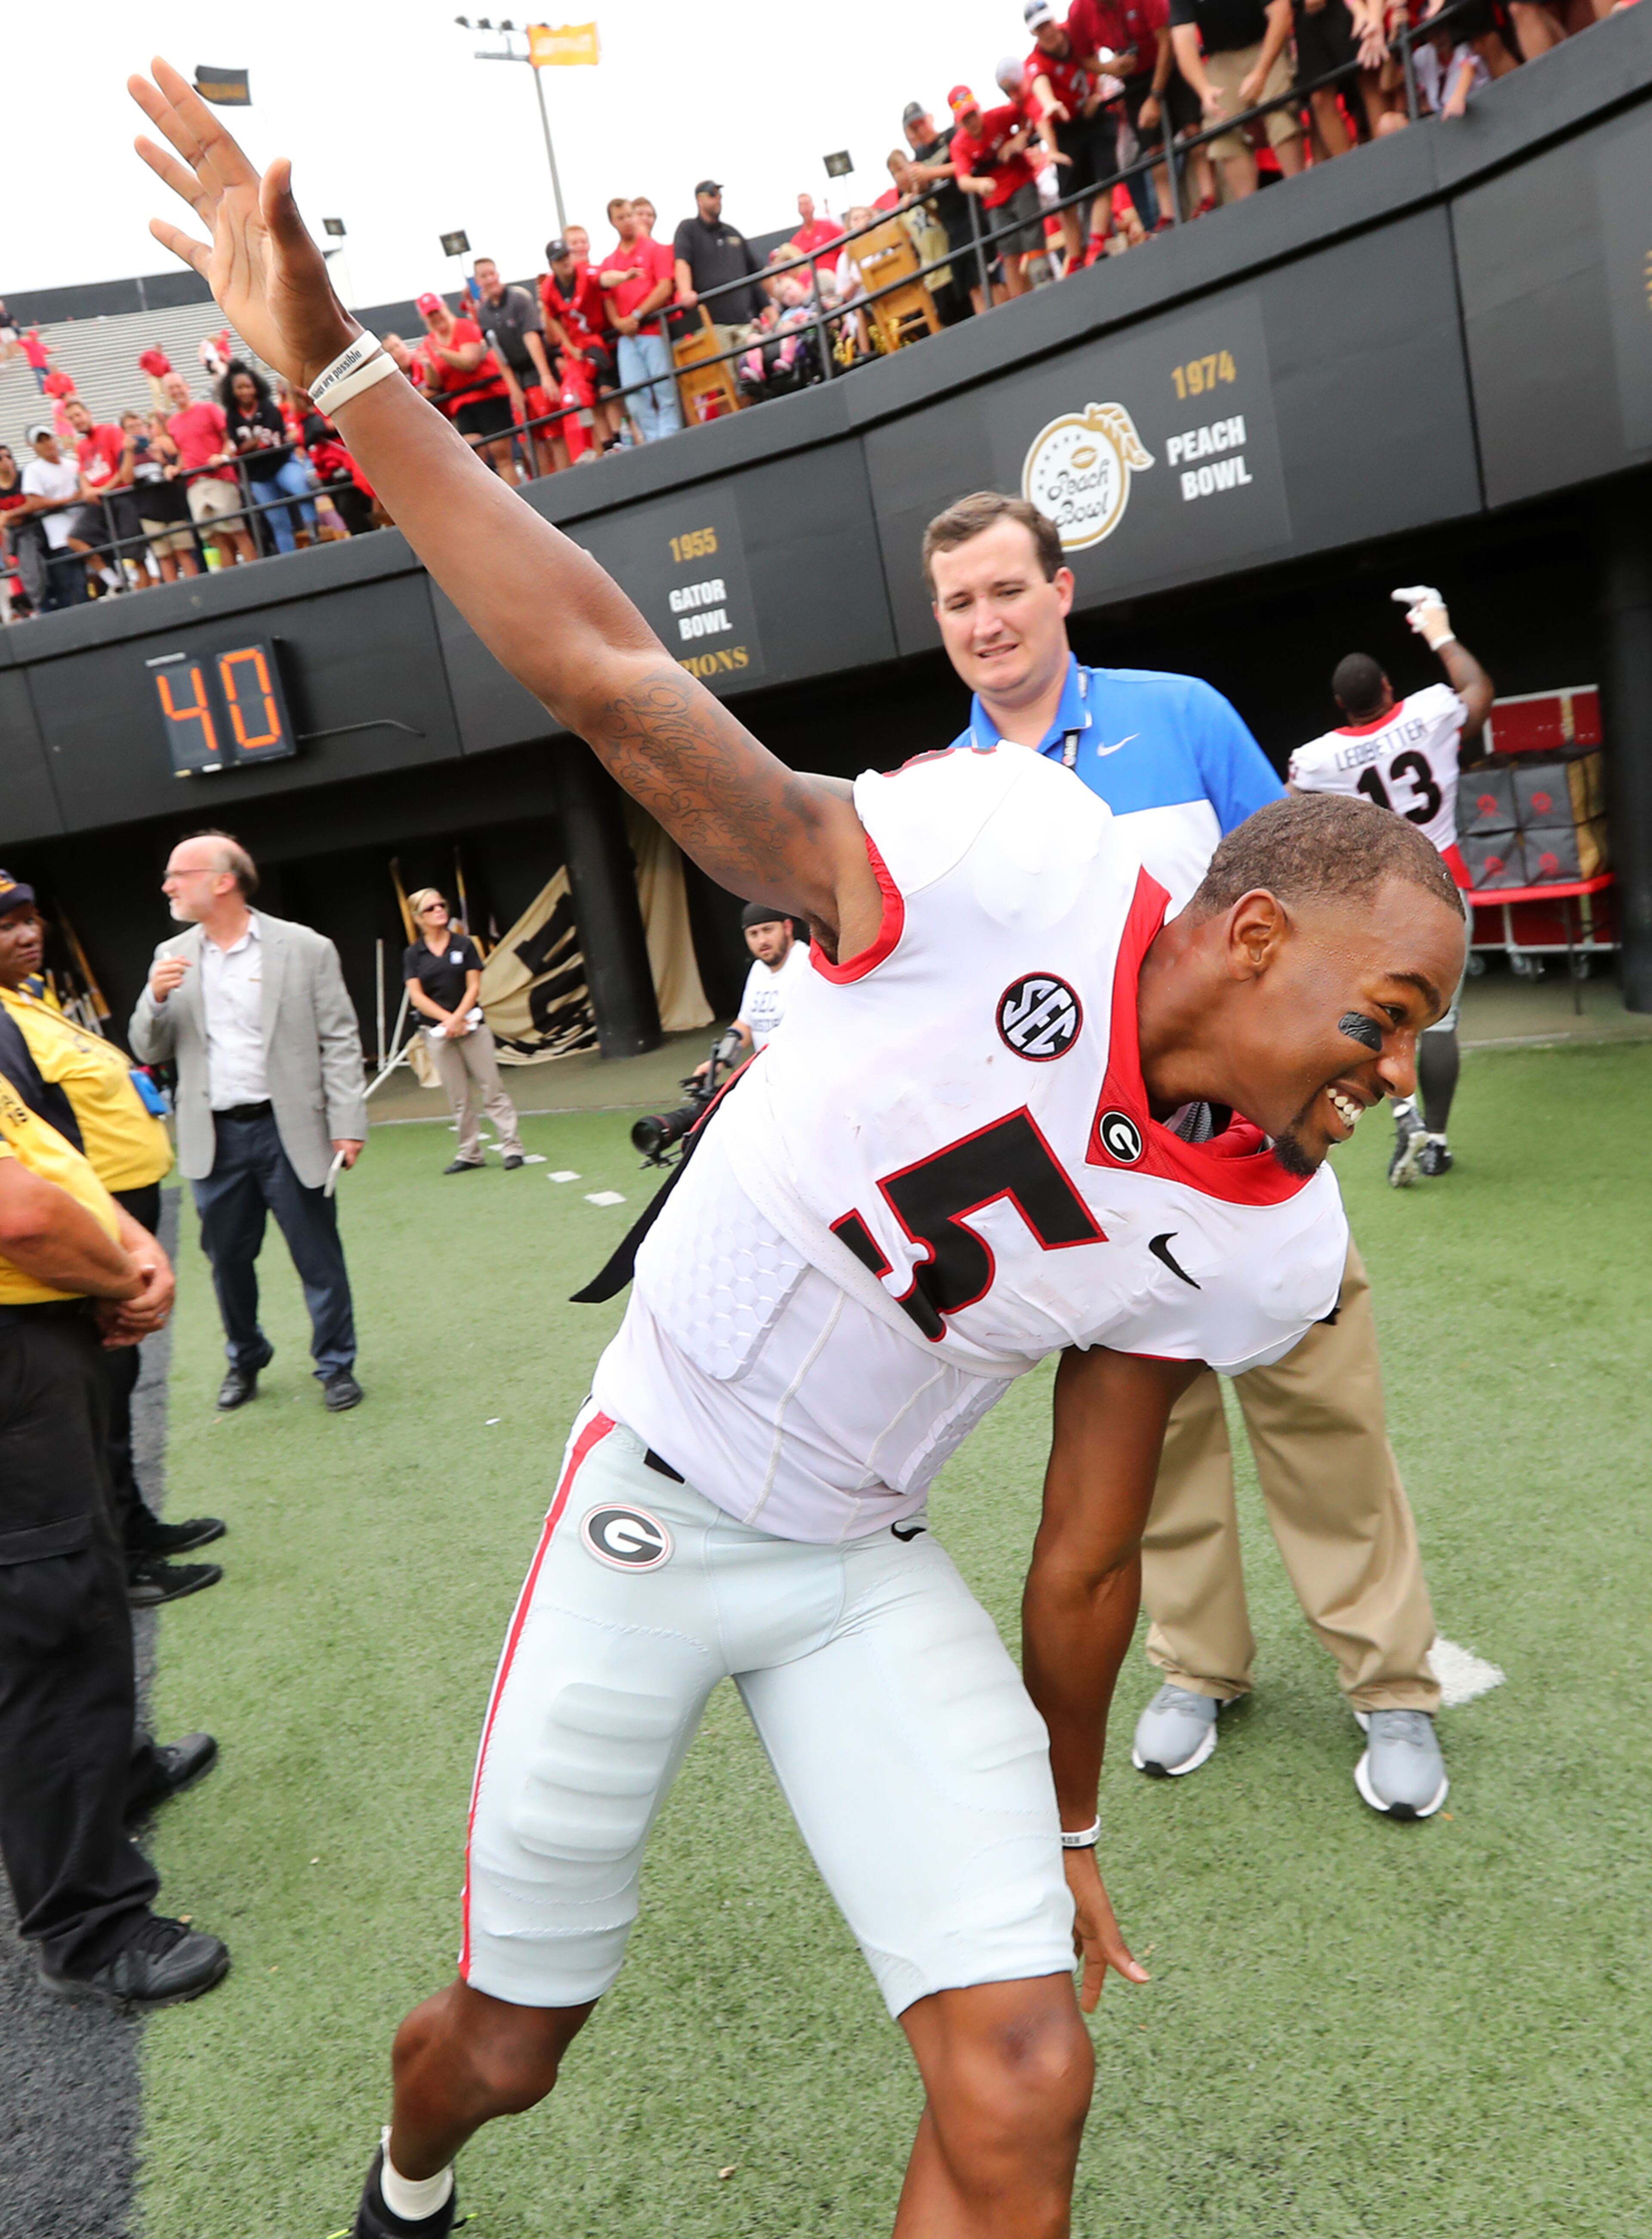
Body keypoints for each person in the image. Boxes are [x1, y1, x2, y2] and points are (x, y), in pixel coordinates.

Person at [129, 70, 1467, 2232]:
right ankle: (400, 2180)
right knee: (505, 2047)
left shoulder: (1260, 1232)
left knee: (1027, 2068)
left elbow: (1087, 1552)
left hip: (859, 1557)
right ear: (1247, 930)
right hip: (645, 1504)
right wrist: (348, 371)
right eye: (1383, 1015)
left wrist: (1064, 1834)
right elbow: (622, 682)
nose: (1391, 1076)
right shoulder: (1008, 851)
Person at [929, 488, 1455, 1818]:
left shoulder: (1178, 715)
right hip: (1098, 1202)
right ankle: (1198, 1666)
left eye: (1004, 590)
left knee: (1325, 1427)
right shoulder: (947, 792)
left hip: (1259, 1172)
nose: (984, 622)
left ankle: (1387, 1685)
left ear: (1059, 590)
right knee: (1147, 1452)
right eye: (956, 603)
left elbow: (1322, 897)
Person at [0, 991, 228, 2010]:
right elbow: (21, 1211)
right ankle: (85, 1929)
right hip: (19, 1346)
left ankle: (114, 1777)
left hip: (40, 1337)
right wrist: (121, 1269)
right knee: (47, 1623)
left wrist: (115, 1250)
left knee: (77, 1587)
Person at [0, 877, 225, 1607]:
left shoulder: (25, 1001)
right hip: (80, 1239)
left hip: (116, 1215)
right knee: (88, 1405)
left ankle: (133, 1525)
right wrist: (115, 1269)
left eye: (30, 921)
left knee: (111, 1394)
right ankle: (122, 1553)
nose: (27, 935)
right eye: (7, 926)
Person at [126, 829, 367, 1414]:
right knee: (228, 1261)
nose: (167, 886)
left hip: (293, 1132)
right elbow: (146, 1046)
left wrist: (349, 1120)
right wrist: (154, 999)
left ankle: (335, 1364)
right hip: (215, 1136)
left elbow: (339, 1039)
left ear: (223, 880)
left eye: (178, 875)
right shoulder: (171, 956)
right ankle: (246, 1354)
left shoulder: (305, 947)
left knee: (318, 1256)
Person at [1288, 585, 1494, 1186]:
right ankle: (1439, 1141)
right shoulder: (1430, 709)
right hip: (1445, 888)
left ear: (1339, 704)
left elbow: (1293, 812)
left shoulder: (1320, 757)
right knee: (1443, 1023)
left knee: (1378, 1015)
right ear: (1387, 689)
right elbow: (1478, 692)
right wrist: (1438, 630)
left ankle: (1405, 1115)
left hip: (1382, 903)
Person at [403, 889, 525, 1174]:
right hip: (439, 1035)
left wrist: (458, 1018)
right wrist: (447, 1021)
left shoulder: (464, 944)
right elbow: (417, 997)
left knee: (492, 1088)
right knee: (458, 1097)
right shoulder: (413, 954)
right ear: (419, 918)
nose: (439, 911)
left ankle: (512, 1147)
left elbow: (474, 986)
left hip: (472, 1027)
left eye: (441, 905)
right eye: (431, 908)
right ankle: (470, 1153)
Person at [1169, 0, 1305, 201]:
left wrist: (1261, 72)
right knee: (1221, 128)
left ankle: (1302, 191)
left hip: (1264, 41)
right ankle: (1249, 212)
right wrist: (1204, 90)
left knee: (1278, 111)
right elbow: (1183, 44)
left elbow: (1281, 13)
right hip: (1221, 57)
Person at [690, 902, 810, 1081]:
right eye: (753, 934)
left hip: (807, 1075)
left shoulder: (807, 964)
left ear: (788, 927)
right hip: (772, 1077)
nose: (762, 941)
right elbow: (746, 1023)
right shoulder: (759, 969)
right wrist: (718, 1061)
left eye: (768, 930)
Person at [947, 84, 1045, 302]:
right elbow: (963, 180)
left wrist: (1022, 135)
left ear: (979, 110)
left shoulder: (999, 116)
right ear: (959, 122)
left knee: (1033, 237)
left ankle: (1045, 285)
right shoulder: (959, 144)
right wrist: (980, 184)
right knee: (1008, 250)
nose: (972, 122)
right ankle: (1021, 303)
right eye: (966, 119)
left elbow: (1026, 108)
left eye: (973, 115)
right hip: (994, 199)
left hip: (1020, 181)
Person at [597, 198, 681, 444]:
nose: (627, 221)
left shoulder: (655, 249)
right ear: (613, 222)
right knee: (635, 395)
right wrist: (619, 322)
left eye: (630, 215)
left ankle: (670, 437)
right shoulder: (610, 262)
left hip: (653, 330)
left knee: (664, 388)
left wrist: (636, 315)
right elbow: (607, 298)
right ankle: (654, 440)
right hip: (628, 336)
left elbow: (665, 287)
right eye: (621, 217)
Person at [472, 258, 561, 479]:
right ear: (477, 281)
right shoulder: (483, 313)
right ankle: (545, 480)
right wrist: (513, 389)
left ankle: (564, 474)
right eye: (484, 276)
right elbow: (497, 353)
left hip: (536, 368)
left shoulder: (518, 299)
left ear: (498, 274)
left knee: (553, 430)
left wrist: (545, 376)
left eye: (492, 274)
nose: (490, 279)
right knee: (528, 437)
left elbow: (532, 337)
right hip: (517, 374)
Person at [414, 292, 518, 481]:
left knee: (501, 454)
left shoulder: (463, 327)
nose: (436, 317)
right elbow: (435, 383)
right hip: (463, 405)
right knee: (473, 457)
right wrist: (428, 365)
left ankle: (518, 496)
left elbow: (470, 362)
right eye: (431, 315)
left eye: (437, 311)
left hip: (489, 396)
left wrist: (441, 352)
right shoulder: (430, 342)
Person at [220, 358, 318, 553]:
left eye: (248, 387)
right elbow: (238, 447)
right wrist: (251, 444)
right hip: (258, 475)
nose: (245, 392)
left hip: (281, 462)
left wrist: (251, 445)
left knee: (301, 487)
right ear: (232, 392)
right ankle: (290, 559)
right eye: (239, 388)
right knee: (278, 522)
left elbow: (268, 440)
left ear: (256, 387)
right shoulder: (232, 416)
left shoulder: (267, 407)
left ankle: (314, 532)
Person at [162, 368, 256, 566]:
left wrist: (222, 456)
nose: (176, 391)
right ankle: (233, 580)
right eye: (171, 389)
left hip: (220, 477)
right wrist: (174, 469)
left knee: (236, 529)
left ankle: (256, 571)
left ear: (187, 387)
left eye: (178, 386)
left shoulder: (208, 409)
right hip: (195, 483)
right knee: (215, 537)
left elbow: (230, 439)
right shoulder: (172, 423)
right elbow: (183, 453)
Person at [672, 181, 764, 352]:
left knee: (754, 370)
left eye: (719, 195)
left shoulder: (733, 232)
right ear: (699, 200)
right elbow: (682, 262)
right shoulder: (688, 229)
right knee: (727, 376)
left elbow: (757, 273)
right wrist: (685, 292)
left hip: (746, 324)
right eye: (713, 195)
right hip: (713, 325)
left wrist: (773, 315)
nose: (718, 199)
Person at [18, 423, 93, 609]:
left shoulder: (73, 465)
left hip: (88, 533)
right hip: (61, 540)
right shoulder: (34, 470)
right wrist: (69, 500)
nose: (47, 444)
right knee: (75, 589)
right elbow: (34, 503)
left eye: (48, 438)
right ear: (33, 446)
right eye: (41, 441)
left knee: (94, 581)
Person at [787, 191, 846, 278]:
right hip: (813, 283)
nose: (805, 208)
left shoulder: (829, 227)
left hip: (837, 275)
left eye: (807, 203)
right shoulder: (796, 241)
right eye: (801, 205)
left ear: (813, 206)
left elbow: (846, 245)